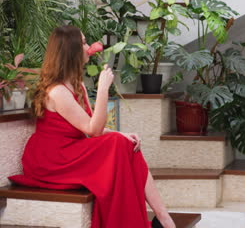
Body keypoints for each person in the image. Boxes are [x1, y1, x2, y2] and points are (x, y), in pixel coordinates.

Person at [9, 25, 175, 228]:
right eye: (84, 42)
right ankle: (159, 220)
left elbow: (88, 126)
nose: (89, 46)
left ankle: (163, 217)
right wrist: (103, 89)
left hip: (72, 152)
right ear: (72, 51)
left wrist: (121, 134)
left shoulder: (77, 86)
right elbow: (93, 130)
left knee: (127, 145)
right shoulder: (57, 91)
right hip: (51, 159)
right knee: (118, 145)